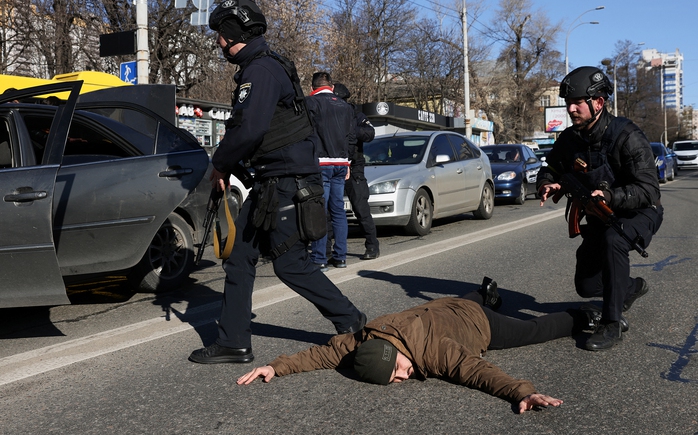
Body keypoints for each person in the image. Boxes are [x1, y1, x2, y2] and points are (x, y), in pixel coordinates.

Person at [189, 0, 366, 365]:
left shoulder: (261, 70)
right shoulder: (260, 68)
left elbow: (250, 129)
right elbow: (253, 129)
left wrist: (219, 165)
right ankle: (234, 341)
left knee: (290, 264)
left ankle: (352, 321)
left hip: (287, 181)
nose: (218, 42)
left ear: (233, 32)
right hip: (272, 180)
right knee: (239, 258)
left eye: (221, 34)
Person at [237, 278, 602, 413]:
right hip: (440, 307)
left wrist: (522, 392)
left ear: (397, 354)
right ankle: (484, 291)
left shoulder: (434, 352)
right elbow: (320, 354)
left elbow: (478, 370)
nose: (402, 379)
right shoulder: (363, 340)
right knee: (463, 300)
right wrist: (276, 366)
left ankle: (582, 316)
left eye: (397, 371)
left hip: (474, 322)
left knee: (531, 330)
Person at [537, 66, 663, 351]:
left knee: (613, 241)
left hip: (639, 211)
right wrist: (547, 183)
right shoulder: (570, 139)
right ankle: (630, 287)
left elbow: (649, 190)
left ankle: (613, 323)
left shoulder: (627, 136)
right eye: (567, 103)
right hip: (598, 215)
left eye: (577, 102)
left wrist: (609, 196)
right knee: (586, 286)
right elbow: (551, 167)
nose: (570, 109)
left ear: (598, 103)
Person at [304, 72, 356, 271]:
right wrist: (348, 162)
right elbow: (351, 137)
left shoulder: (311, 103)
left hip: (321, 164)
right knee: (338, 211)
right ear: (332, 87)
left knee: (319, 211)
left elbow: (306, 133)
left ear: (313, 86)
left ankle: (319, 258)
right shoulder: (346, 106)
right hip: (341, 163)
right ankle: (341, 256)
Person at [334, 83, 380, 260]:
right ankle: (332, 251)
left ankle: (372, 245)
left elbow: (370, 133)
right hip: (334, 165)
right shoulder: (329, 115)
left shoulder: (355, 115)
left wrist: (350, 128)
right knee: (330, 211)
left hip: (354, 167)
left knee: (360, 208)